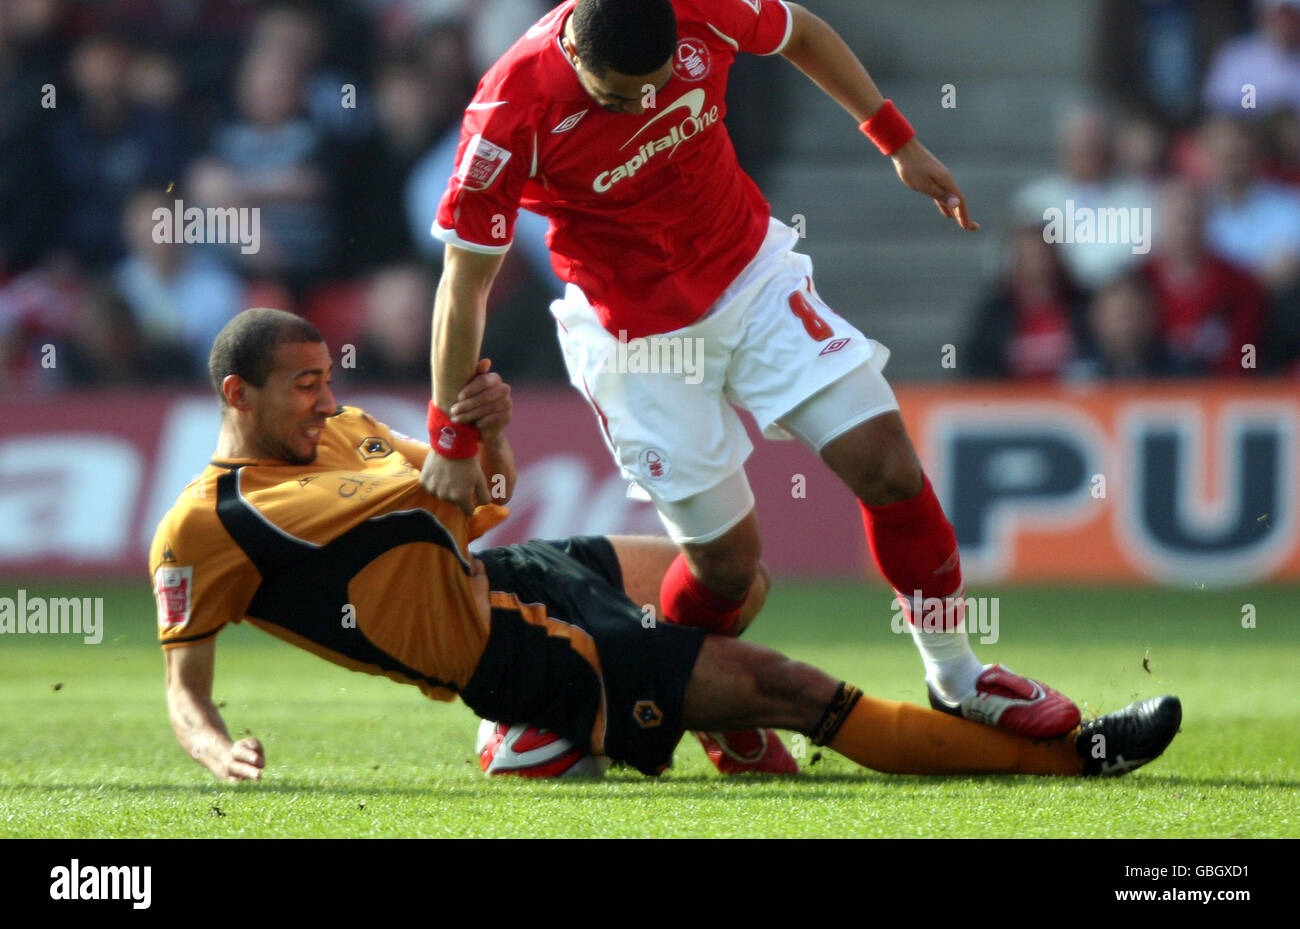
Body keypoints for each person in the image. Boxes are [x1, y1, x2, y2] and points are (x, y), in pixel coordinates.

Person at [424, 0, 1081, 775]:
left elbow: (801, 30)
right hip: (638, 339)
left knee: (887, 463)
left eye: (658, 86)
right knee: (729, 570)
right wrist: (449, 432)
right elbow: (463, 284)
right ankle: (691, 700)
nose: (642, 106)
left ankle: (957, 675)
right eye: (619, 96)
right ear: (575, 58)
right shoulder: (507, 109)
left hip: (751, 277)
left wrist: (896, 140)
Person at [153, 308, 1181, 783]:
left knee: (734, 572)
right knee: (795, 687)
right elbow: (184, 678)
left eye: (327, 379)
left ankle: (668, 726)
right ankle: (1068, 756)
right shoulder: (209, 523)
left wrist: (493, 430)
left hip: (513, 575)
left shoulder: (339, 433)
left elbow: (484, 497)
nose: (326, 399)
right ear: (235, 394)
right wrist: (213, 744)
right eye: (303, 386)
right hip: (509, 651)